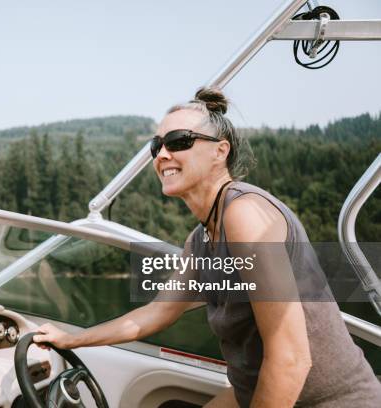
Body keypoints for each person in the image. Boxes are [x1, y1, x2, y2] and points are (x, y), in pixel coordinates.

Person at [33, 88, 381, 407]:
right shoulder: (200, 239)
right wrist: (71, 339)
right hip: (254, 392)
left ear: (220, 151)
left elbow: (292, 358)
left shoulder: (244, 214)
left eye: (179, 141)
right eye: (156, 146)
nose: (162, 154)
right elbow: (156, 314)